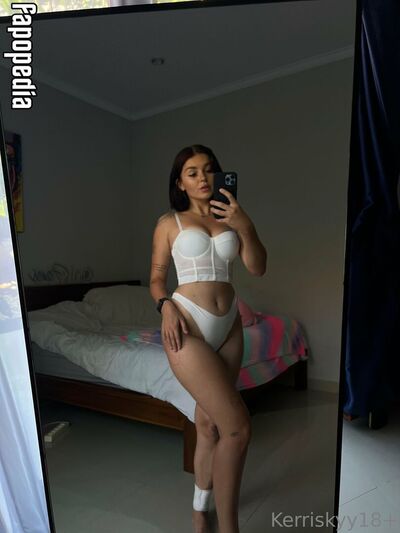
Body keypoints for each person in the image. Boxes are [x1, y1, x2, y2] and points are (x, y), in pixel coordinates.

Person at [150, 145, 267, 533]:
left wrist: (244, 225)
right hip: (188, 324)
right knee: (238, 428)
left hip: (230, 325)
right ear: (180, 183)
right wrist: (165, 306)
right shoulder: (169, 222)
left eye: (208, 169)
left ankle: (201, 508)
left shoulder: (230, 219)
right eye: (192, 172)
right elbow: (156, 279)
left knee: (209, 424)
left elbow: (258, 267)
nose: (202, 177)